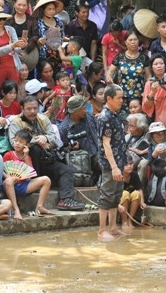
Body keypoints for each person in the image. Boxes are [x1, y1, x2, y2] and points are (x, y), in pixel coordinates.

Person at [7, 96, 85, 211]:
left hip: (46, 158)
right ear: (22, 108)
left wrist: (45, 138)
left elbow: (53, 137)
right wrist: (38, 141)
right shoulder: (15, 123)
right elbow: (14, 142)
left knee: (66, 170)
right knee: (35, 149)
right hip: (26, 162)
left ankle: (66, 200)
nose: (32, 111)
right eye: (29, 109)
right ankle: (36, 181)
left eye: (35, 108)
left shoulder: (43, 119)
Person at [97, 84, 127, 241]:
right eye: (119, 98)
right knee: (107, 194)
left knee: (116, 195)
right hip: (111, 164)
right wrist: (114, 167)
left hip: (119, 161)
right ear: (109, 98)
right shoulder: (105, 117)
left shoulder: (115, 115)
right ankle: (102, 230)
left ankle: (113, 227)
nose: (121, 100)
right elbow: (106, 144)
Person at [2, 129, 53, 220]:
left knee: (46, 179)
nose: (17, 143)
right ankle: (16, 209)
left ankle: (39, 207)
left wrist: (26, 155)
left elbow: (31, 173)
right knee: (8, 181)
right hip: (11, 185)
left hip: (24, 185)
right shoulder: (8, 155)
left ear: (27, 145)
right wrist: (10, 177)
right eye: (16, 141)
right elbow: (2, 170)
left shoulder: (27, 156)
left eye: (21, 142)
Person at [58, 95, 102, 186]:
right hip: (80, 159)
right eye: (83, 108)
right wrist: (70, 148)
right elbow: (61, 149)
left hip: (97, 152)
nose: (86, 110)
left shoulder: (89, 117)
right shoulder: (64, 128)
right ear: (75, 111)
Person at [107, 30, 150, 110]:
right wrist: (109, 78)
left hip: (139, 96)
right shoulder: (120, 57)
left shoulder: (144, 58)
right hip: (122, 97)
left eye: (135, 40)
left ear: (138, 41)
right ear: (125, 42)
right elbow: (110, 72)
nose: (133, 42)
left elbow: (148, 76)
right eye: (130, 40)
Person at [6, 0, 39, 72]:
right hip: (12, 54)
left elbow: (36, 36)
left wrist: (27, 46)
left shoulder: (32, 20)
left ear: (27, 6)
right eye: (19, 4)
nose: (21, 7)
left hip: (28, 54)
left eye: (24, 5)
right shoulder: (8, 20)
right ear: (14, 4)